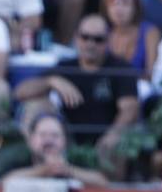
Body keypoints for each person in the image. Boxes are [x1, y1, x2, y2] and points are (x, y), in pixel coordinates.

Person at [14, 12, 138, 149]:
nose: (90, 43)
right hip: (67, 141)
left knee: (121, 137)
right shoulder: (66, 67)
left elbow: (129, 109)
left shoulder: (120, 68)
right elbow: (20, 93)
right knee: (36, 105)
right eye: (85, 37)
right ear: (76, 38)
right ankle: (35, 161)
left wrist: (113, 135)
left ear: (107, 41)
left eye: (98, 39)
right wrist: (51, 81)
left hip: (106, 142)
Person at [3, 111, 110, 184]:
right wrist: (43, 171)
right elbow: (5, 182)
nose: (49, 140)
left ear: (65, 141)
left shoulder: (76, 158)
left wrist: (68, 170)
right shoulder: (19, 157)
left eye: (55, 135)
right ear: (31, 140)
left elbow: (102, 182)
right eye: (43, 135)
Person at [103, 0, 160, 77]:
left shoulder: (150, 32)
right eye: (112, 2)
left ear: (135, 5)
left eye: (125, 2)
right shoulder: (101, 32)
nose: (118, 8)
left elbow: (152, 75)